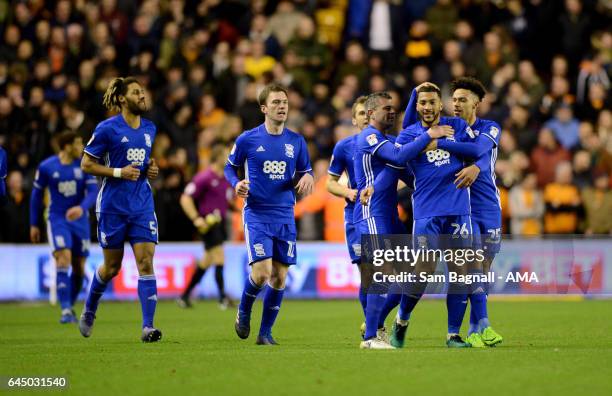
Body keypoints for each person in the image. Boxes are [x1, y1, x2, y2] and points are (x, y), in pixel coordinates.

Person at [353, 91, 452, 349]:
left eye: (393, 108)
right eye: (386, 108)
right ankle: (371, 338)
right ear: (371, 113)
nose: (391, 112)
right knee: (381, 273)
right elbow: (398, 158)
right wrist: (430, 134)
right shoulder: (369, 136)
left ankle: (375, 324)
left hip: (390, 214)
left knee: (411, 274)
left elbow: (407, 172)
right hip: (371, 212)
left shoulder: (392, 141)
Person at [398, 83, 489, 348]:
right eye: (422, 103)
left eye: (432, 102)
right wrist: (428, 138)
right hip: (427, 212)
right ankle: (402, 319)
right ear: (417, 107)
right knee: (423, 271)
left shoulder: (457, 126)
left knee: (460, 273)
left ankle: (453, 335)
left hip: (459, 210)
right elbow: (401, 158)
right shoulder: (409, 134)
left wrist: (440, 141)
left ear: (441, 105)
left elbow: (476, 151)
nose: (427, 107)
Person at [224, 83, 314, 345]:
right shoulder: (248, 139)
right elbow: (230, 168)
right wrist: (236, 184)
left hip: (285, 213)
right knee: (262, 273)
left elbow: (305, 170)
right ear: (264, 108)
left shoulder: (296, 141)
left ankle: (265, 334)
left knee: (280, 276)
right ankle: (243, 309)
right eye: (275, 102)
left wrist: (308, 176)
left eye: (284, 102)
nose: (282, 106)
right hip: (257, 213)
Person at [79, 77, 162, 342]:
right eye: (136, 92)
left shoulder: (150, 128)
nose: (142, 95)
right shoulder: (107, 129)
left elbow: (143, 162)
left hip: (142, 205)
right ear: (122, 99)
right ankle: (90, 308)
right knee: (111, 267)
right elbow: (86, 164)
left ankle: (147, 326)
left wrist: (151, 168)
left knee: (146, 262)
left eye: (142, 91)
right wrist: (117, 171)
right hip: (112, 207)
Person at [448, 77, 505, 347]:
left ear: (476, 104)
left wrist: (477, 167)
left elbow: (480, 149)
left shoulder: (490, 128)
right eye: (455, 99)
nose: (456, 104)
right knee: (471, 268)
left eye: (463, 99)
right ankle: (482, 326)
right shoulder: (448, 130)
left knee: (483, 268)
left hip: (489, 206)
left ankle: (474, 329)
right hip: (461, 208)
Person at [29, 131, 98, 324]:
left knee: (79, 266)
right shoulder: (47, 167)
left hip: (80, 220)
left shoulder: (84, 165)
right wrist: (34, 224)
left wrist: (81, 207)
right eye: (78, 144)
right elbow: (36, 196)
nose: (81, 147)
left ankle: (69, 305)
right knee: (63, 258)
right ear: (67, 146)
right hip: (57, 218)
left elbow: (93, 191)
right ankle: (66, 310)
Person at [177, 144, 235, 309]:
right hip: (208, 223)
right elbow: (185, 198)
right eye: (226, 155)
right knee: (219, 256)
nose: (229, 158)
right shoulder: (204, 177)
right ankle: (223, 298)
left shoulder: (225, 177)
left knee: (207, 260)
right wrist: (196, 218)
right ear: (217, 158)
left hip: (221, 222)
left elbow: (227, 200)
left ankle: (184, 296)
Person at [326, 96, 368, 319]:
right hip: (356, 215)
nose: (366, 117)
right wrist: (349, 192)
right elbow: (329, 183)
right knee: (368, 272)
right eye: (361, 113)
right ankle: (373, 325)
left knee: (387, 276)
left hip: (383, 214)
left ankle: (377, 321)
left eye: (370, 112)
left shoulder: (391, 144)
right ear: (354, 120)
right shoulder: (345, 147)